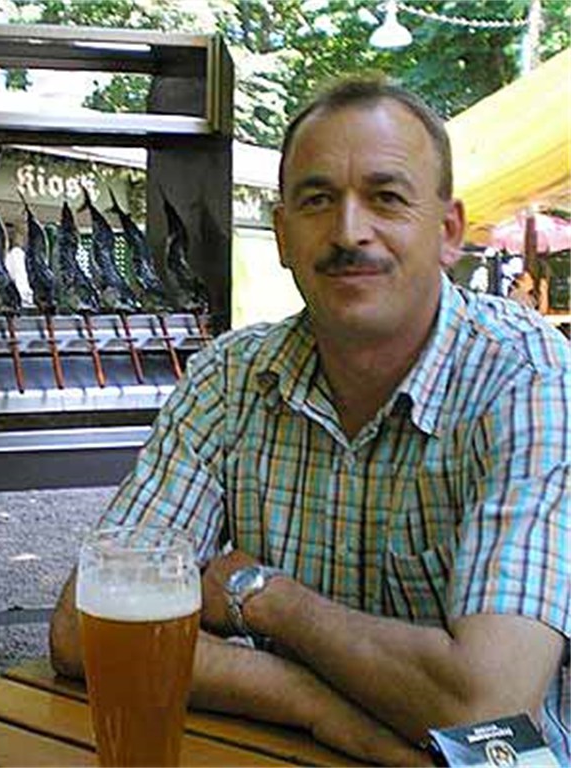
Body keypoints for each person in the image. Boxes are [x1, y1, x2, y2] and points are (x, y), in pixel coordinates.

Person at [50, 75, 570, 766]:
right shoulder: (230, 377)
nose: (349, 232)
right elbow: (86, 626)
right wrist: (312, 704)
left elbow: (488, 708)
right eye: (318, 200)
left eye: (386, 198)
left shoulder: (527, 376)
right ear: (282, 235)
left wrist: (266, 599)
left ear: (448, 232)